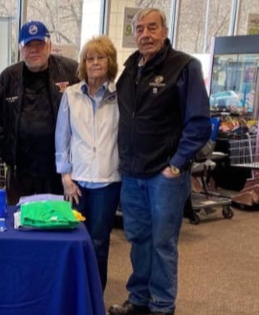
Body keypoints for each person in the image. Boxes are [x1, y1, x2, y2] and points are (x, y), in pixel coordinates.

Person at [108, 8, 211, 315]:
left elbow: (199, 124)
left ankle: (162, 305)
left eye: (152, 28)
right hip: (132, 172)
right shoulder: (129, 69)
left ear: (165, 31)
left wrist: (176, 164)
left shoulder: (184, 67)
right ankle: (139, 299)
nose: (145, 34)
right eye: (140, 29)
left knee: (162, 244)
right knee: (138, 239)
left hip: (164, 174)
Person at [55, 36, 120, 292]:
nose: (95, 63)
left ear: (110, 61)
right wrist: (65, 176)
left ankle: (95, 295)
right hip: (77, 182)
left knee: (99, 242)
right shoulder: (71, 94)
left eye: (100, 57)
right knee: (74, 240)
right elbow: (62, 137)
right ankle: (74, 294)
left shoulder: (120, 95)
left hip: (108, 181)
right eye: (89, 58)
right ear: (83, 63)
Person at [0, 20, 79, 204]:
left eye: (39, 44)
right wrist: (6, 153)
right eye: (28, 45)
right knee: (20, 220)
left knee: (55, 220)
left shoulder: (70, 71)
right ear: (20, 49)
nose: (34, 50)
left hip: (58, 169)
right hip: (21, 169)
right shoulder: (8, 77)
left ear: (49, 45)